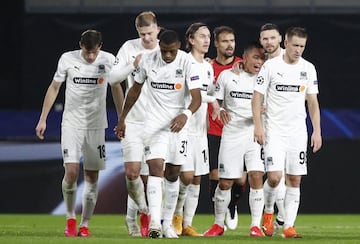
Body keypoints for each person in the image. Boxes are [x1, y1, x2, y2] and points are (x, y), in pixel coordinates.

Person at [35, 29, 124, 237]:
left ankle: (85, 224)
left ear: (100, 47)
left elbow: (116, 87)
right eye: (87, 52)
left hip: (96, 126)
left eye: (94, 52)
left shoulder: (109, 60)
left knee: (92, 177)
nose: (90, 57)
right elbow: (54, 87)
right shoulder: (67, 59)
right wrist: (43, 118)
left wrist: (122, 118)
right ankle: (70, 219)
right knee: (72, 172)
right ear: (81, 46)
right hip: (71, 124)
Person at [115, 29, 202, 239]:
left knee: (173, 174)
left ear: (178, 47)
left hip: (178, 125)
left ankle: (168, 223)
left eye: (171, 51)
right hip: (153, 125)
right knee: (155, 169)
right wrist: (122, 118)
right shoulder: (148, 60)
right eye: (164, 51)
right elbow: (134, 90)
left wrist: (185, 115)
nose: (167, 55)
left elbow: (197, 98)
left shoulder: (188, 63)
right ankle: (155, 223)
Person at [252, 26, 322, 238]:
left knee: (295, 180)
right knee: (274, 177)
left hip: (297, 133)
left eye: (302, 46)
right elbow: (257, 98)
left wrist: (316, 130)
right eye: (295, 46)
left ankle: (288, 227)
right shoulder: (271, 66)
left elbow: (313, 102)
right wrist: (258, 125)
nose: (298, 50)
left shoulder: (308, 68)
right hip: (274, 131)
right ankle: (268, 212)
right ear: (286, 44)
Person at [204, 42, 266, 237]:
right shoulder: (227, 76)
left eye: (262, 58)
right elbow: (215, 98)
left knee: (256, 176)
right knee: (225, 183)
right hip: (231, 134)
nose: (260, 61)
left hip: (254, 134)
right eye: (256, 57)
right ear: (244, 59)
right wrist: (219, 109)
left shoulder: (265, 79)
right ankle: (218, 224)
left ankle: (255, 226)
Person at [108, 11, 160, 237]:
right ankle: (144, 212)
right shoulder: (129, 48)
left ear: (157, 28)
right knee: (131, 173)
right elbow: (113, 79)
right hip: (133, 121)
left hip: (157, 123)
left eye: (149, 33)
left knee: (150, 177)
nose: (146, 38)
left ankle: (137, 219)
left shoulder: (166, 50)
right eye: (142, 34)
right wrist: (133, 65)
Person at [172, 22, 217, 237]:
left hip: (200, 131)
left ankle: (187, 224)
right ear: (190, 39)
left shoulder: (207, 67)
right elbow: (193, 96)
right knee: (186, 176)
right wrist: (215, 101)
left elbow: (210, 94)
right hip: (184, 129)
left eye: (208, 36)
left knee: (198, 178)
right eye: (201, 36)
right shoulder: (183, 61)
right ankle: (175, 217)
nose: (206, 40)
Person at [207, 26, 244, 230]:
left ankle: (233, 206)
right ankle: (218, 217)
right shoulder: (207, 67)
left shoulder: (243, 65)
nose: (229, 45)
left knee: (240, 178)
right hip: (213, 130)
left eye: (232, 40)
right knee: (216, 176)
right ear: (216, 44)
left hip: (238, 131)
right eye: (224, 41)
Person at [258, 23, 287, 236]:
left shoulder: (291, 60)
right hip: (266, 127)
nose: (269, 42)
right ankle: (271, 214)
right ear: (261, 41)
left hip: (289, 127)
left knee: (287, 177)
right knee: (275, 176)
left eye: (272, 38)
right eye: (265, 39)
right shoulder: (258, 62)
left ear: (280, 39)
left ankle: (283, 219)